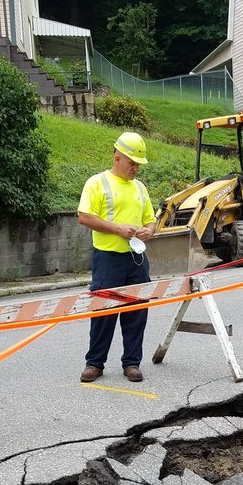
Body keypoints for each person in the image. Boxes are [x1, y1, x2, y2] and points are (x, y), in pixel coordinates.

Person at [78, 132, 156, 384]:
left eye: (138, 164)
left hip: (135, 257)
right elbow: (85, 217)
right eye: (132, 163)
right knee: (103, 310)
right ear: (117, 157)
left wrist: (149, 231)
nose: (135, 168)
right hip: (108, 258)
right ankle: (95, 364)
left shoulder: (140, 188)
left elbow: (151, 220)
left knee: (136, 310)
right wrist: (117, 229)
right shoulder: (97, 183)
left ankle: (132, 363)